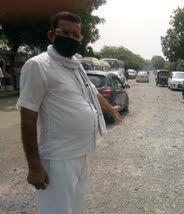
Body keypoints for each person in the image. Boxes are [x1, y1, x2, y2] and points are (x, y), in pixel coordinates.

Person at [16, 11, 122, 214]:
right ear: (51, 35)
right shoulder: (38, 66)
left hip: (81, 154)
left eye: (76, 35)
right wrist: (34, 166)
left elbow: (92, 91)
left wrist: (111, 109)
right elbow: (28, 118)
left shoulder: (76, 65)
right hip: (58, 159)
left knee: (73, 209)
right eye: (65, 32)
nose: (71, 38)